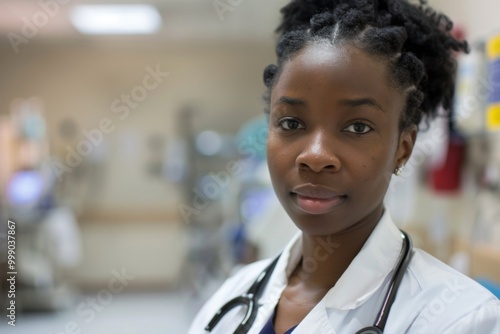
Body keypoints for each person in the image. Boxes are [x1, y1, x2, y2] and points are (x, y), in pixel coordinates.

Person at [188, 0, 500, 333]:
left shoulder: (461, 319)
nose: (316, 156)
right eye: (292, 123)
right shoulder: (231, 298)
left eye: (358, 127)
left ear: (402, 149)